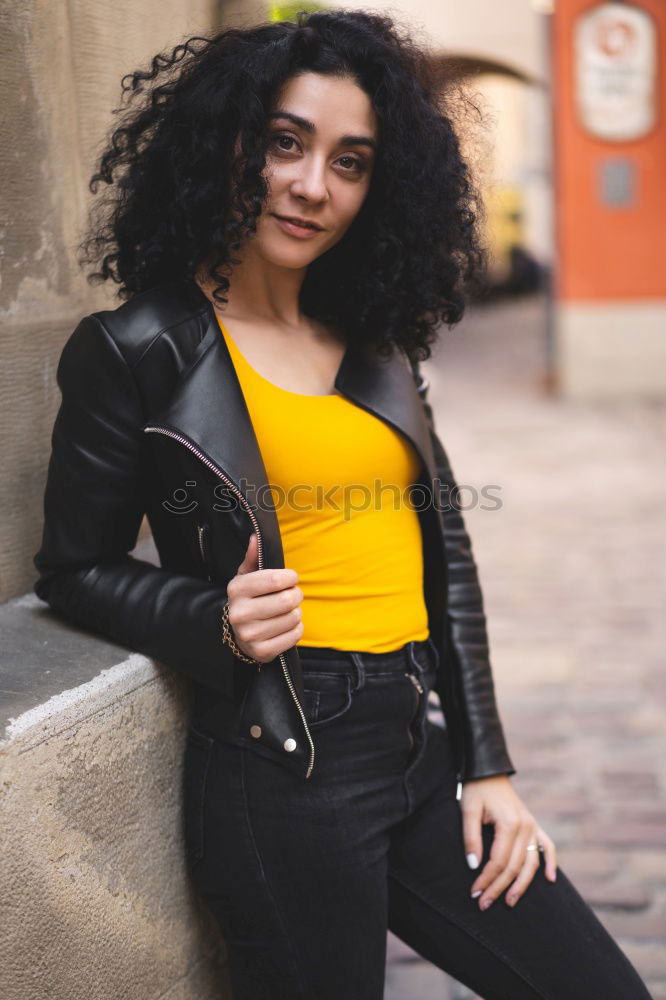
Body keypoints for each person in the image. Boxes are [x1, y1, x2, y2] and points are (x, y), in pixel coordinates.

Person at [33, 11, 652, 1000]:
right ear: (228, 142)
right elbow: (70, 569)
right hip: (288, 761)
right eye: (285, 143)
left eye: (351, 161)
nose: (313, 185)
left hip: (417, 739)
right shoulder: (141, 346)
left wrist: (487, 766)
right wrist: (211, 619)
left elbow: (442, 548)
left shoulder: (372, 339)